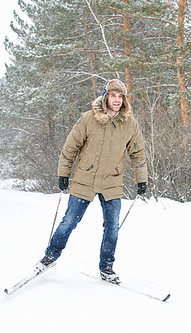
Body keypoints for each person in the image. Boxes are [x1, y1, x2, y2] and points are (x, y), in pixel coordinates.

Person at [36, 79, 148, 284]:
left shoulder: (130, 124)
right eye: (113, 95)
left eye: (120, 96)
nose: (117, 100)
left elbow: (138, 155)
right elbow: (70, 147)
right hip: (84, 179)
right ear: (106, 96)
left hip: (112, 182)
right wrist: (64, 173)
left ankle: (106, 267)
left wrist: (142, 180)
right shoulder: (88, 119)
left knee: (112, 227)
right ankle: (50, 256)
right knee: (69, 221)